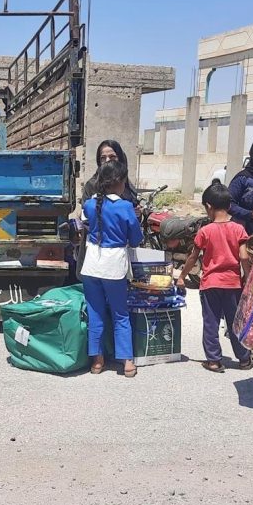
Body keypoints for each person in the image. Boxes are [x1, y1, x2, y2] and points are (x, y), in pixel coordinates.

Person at [176, 183, 253, 373]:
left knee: (211, 322)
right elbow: (244, 256)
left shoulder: (205, 231)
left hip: (210, 284)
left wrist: (182, 277)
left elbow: (193, 257)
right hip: (233, 283)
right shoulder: (238, 229)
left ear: (208, 206)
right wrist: (249, 279)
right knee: (235, 322)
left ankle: (213, 360)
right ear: (228, 206)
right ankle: (243, 359)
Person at [80, 160, 143, 378]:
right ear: (120, 181)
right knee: (120, 315)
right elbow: (136, 239)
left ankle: (97, 362)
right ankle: (126, 362)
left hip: (91, 265)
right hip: (114, 265)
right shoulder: (125, 207)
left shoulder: (90, 203)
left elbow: (86, 222)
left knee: (95, 314)